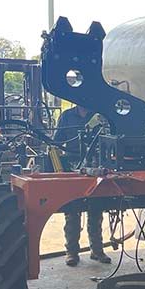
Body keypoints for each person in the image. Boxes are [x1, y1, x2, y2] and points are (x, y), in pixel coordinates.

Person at [54, 104, 110, 267]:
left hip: (95, 165)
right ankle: (71, 252)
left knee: (96, 209)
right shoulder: (67, 116)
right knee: (72, 211)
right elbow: (57, 141)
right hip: (73, 165)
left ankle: (97, 251)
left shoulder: (99, 115)